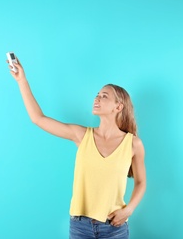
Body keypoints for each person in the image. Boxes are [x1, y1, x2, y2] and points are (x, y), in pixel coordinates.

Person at [8, 57, 146, 239]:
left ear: (118, 106)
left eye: (104, 96)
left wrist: (128, 210)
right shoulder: (81, 135)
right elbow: (38, 119)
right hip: (80, 227)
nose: (97, 98)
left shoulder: (133, 144)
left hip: (115, 227)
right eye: (97, 95)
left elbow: (140, 182)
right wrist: (21, 80)